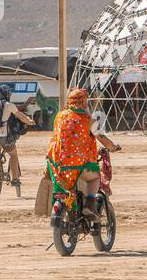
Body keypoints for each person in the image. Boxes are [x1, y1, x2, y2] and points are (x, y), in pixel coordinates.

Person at [46, 88, 120, 217]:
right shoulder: (88, 120)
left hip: (59, 164)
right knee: (95, 178)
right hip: (79, 164)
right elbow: (101, 137)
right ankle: (90, 204)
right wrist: (113, 147)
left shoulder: (59, 116)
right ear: (83, 102)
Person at [0, 83, 35, 194]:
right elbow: (21, 117)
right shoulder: (9, 105)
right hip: (5, 137)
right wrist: (30, 122)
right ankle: (14, 179)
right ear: (6, 94)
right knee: (13, 154)